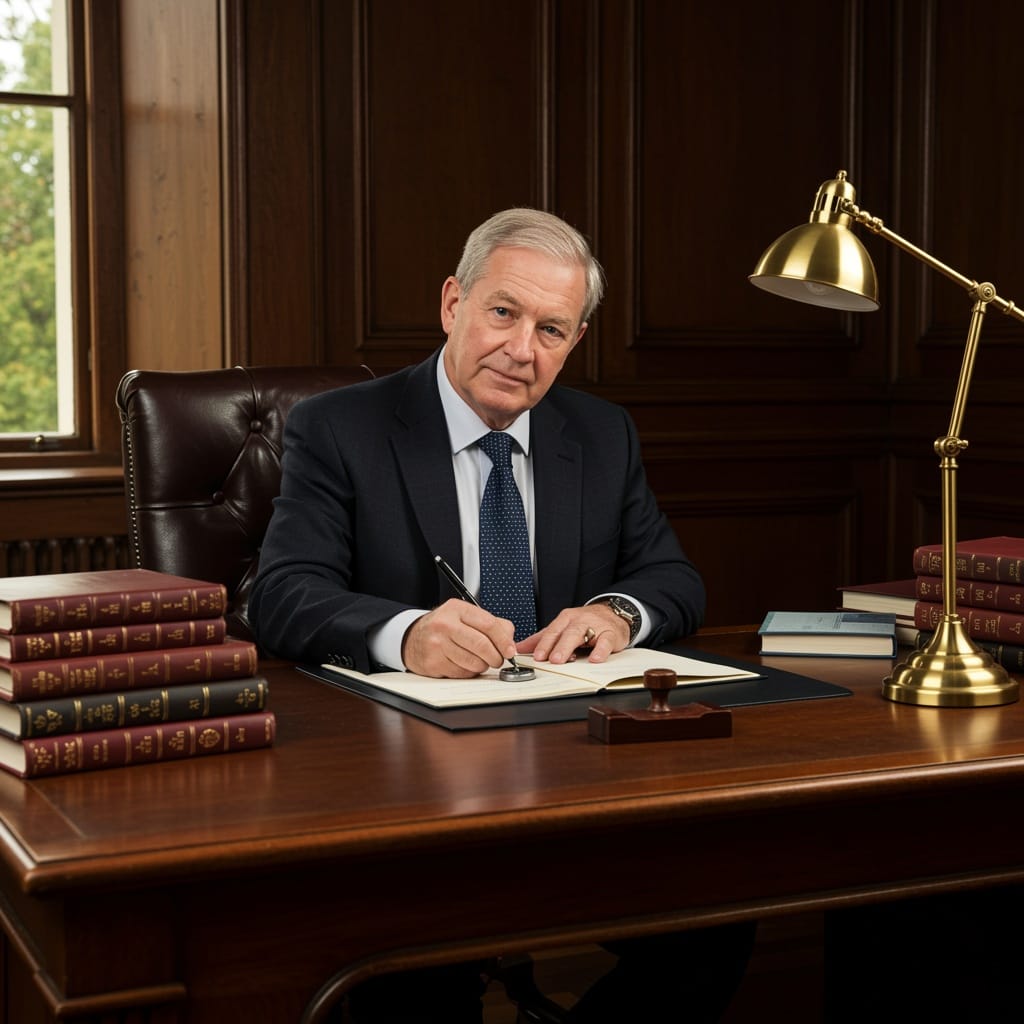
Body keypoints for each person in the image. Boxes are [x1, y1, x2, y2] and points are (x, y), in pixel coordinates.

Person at [250, 208, 755, 1023]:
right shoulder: (341, 427)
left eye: (551, 329)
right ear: (453, 303)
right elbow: (280, 594)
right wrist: (405, 634)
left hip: (578, 783)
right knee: (415, 976)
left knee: (713, 929)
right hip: (401, 799)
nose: (522, 350)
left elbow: (672, 576)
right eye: (502, 313)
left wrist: (617, 612)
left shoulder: (600, 433)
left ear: (575, 340)